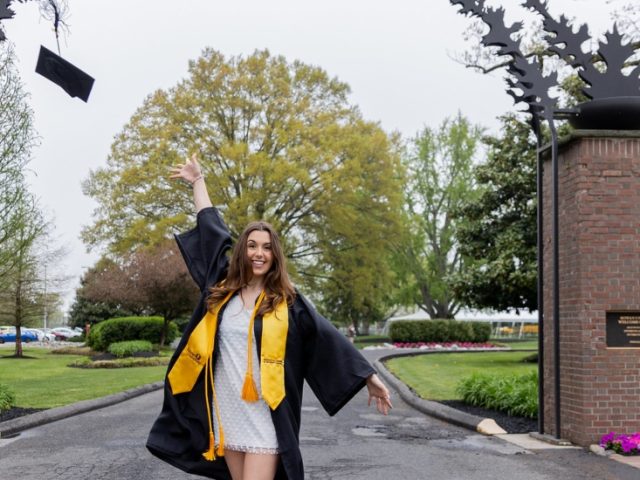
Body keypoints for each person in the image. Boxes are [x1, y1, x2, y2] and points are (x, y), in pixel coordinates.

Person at [147, 155, 392, 480]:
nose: (258, 253)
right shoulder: (221, 286)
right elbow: (211, 229)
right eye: (251, 246)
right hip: (227, 407)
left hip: (265, 413)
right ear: (242, 252)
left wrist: (368, 377)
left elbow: (326, 338)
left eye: (265, 247)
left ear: (274, 255)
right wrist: (198, 182)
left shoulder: (287, 301)